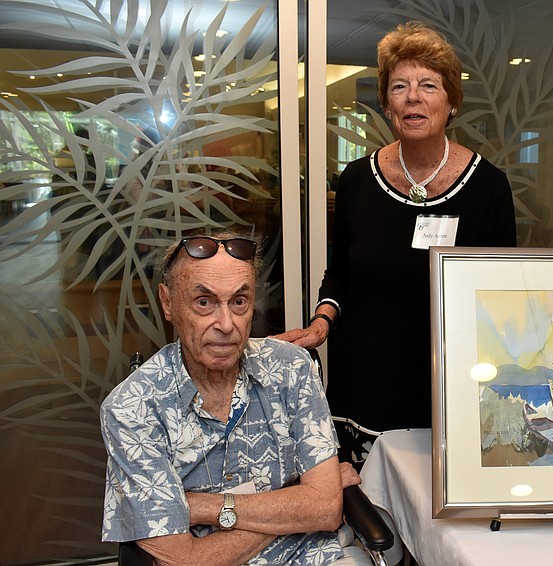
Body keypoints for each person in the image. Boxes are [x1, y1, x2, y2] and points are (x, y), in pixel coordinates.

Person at [276, 21, 516, 465]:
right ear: (387, 104)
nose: (413, 96)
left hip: (443, 384)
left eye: (429, 85)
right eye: (400, 86)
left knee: (427, 516)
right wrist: (322, 321)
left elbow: (498, 296)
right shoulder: (356, 181)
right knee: (366, 516)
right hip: (364, 378)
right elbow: (340, 274)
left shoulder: (488, 188)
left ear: (450, 102)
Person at [100, 231, 371, 565]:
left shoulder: (290, 368)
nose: (226, 324)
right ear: (168, 303)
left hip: (312, 555)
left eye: (239, 302)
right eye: (204, 302)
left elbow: (326, 510)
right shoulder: (132, 409)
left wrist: (204, 507)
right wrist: (293, 505)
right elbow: (186, 560)